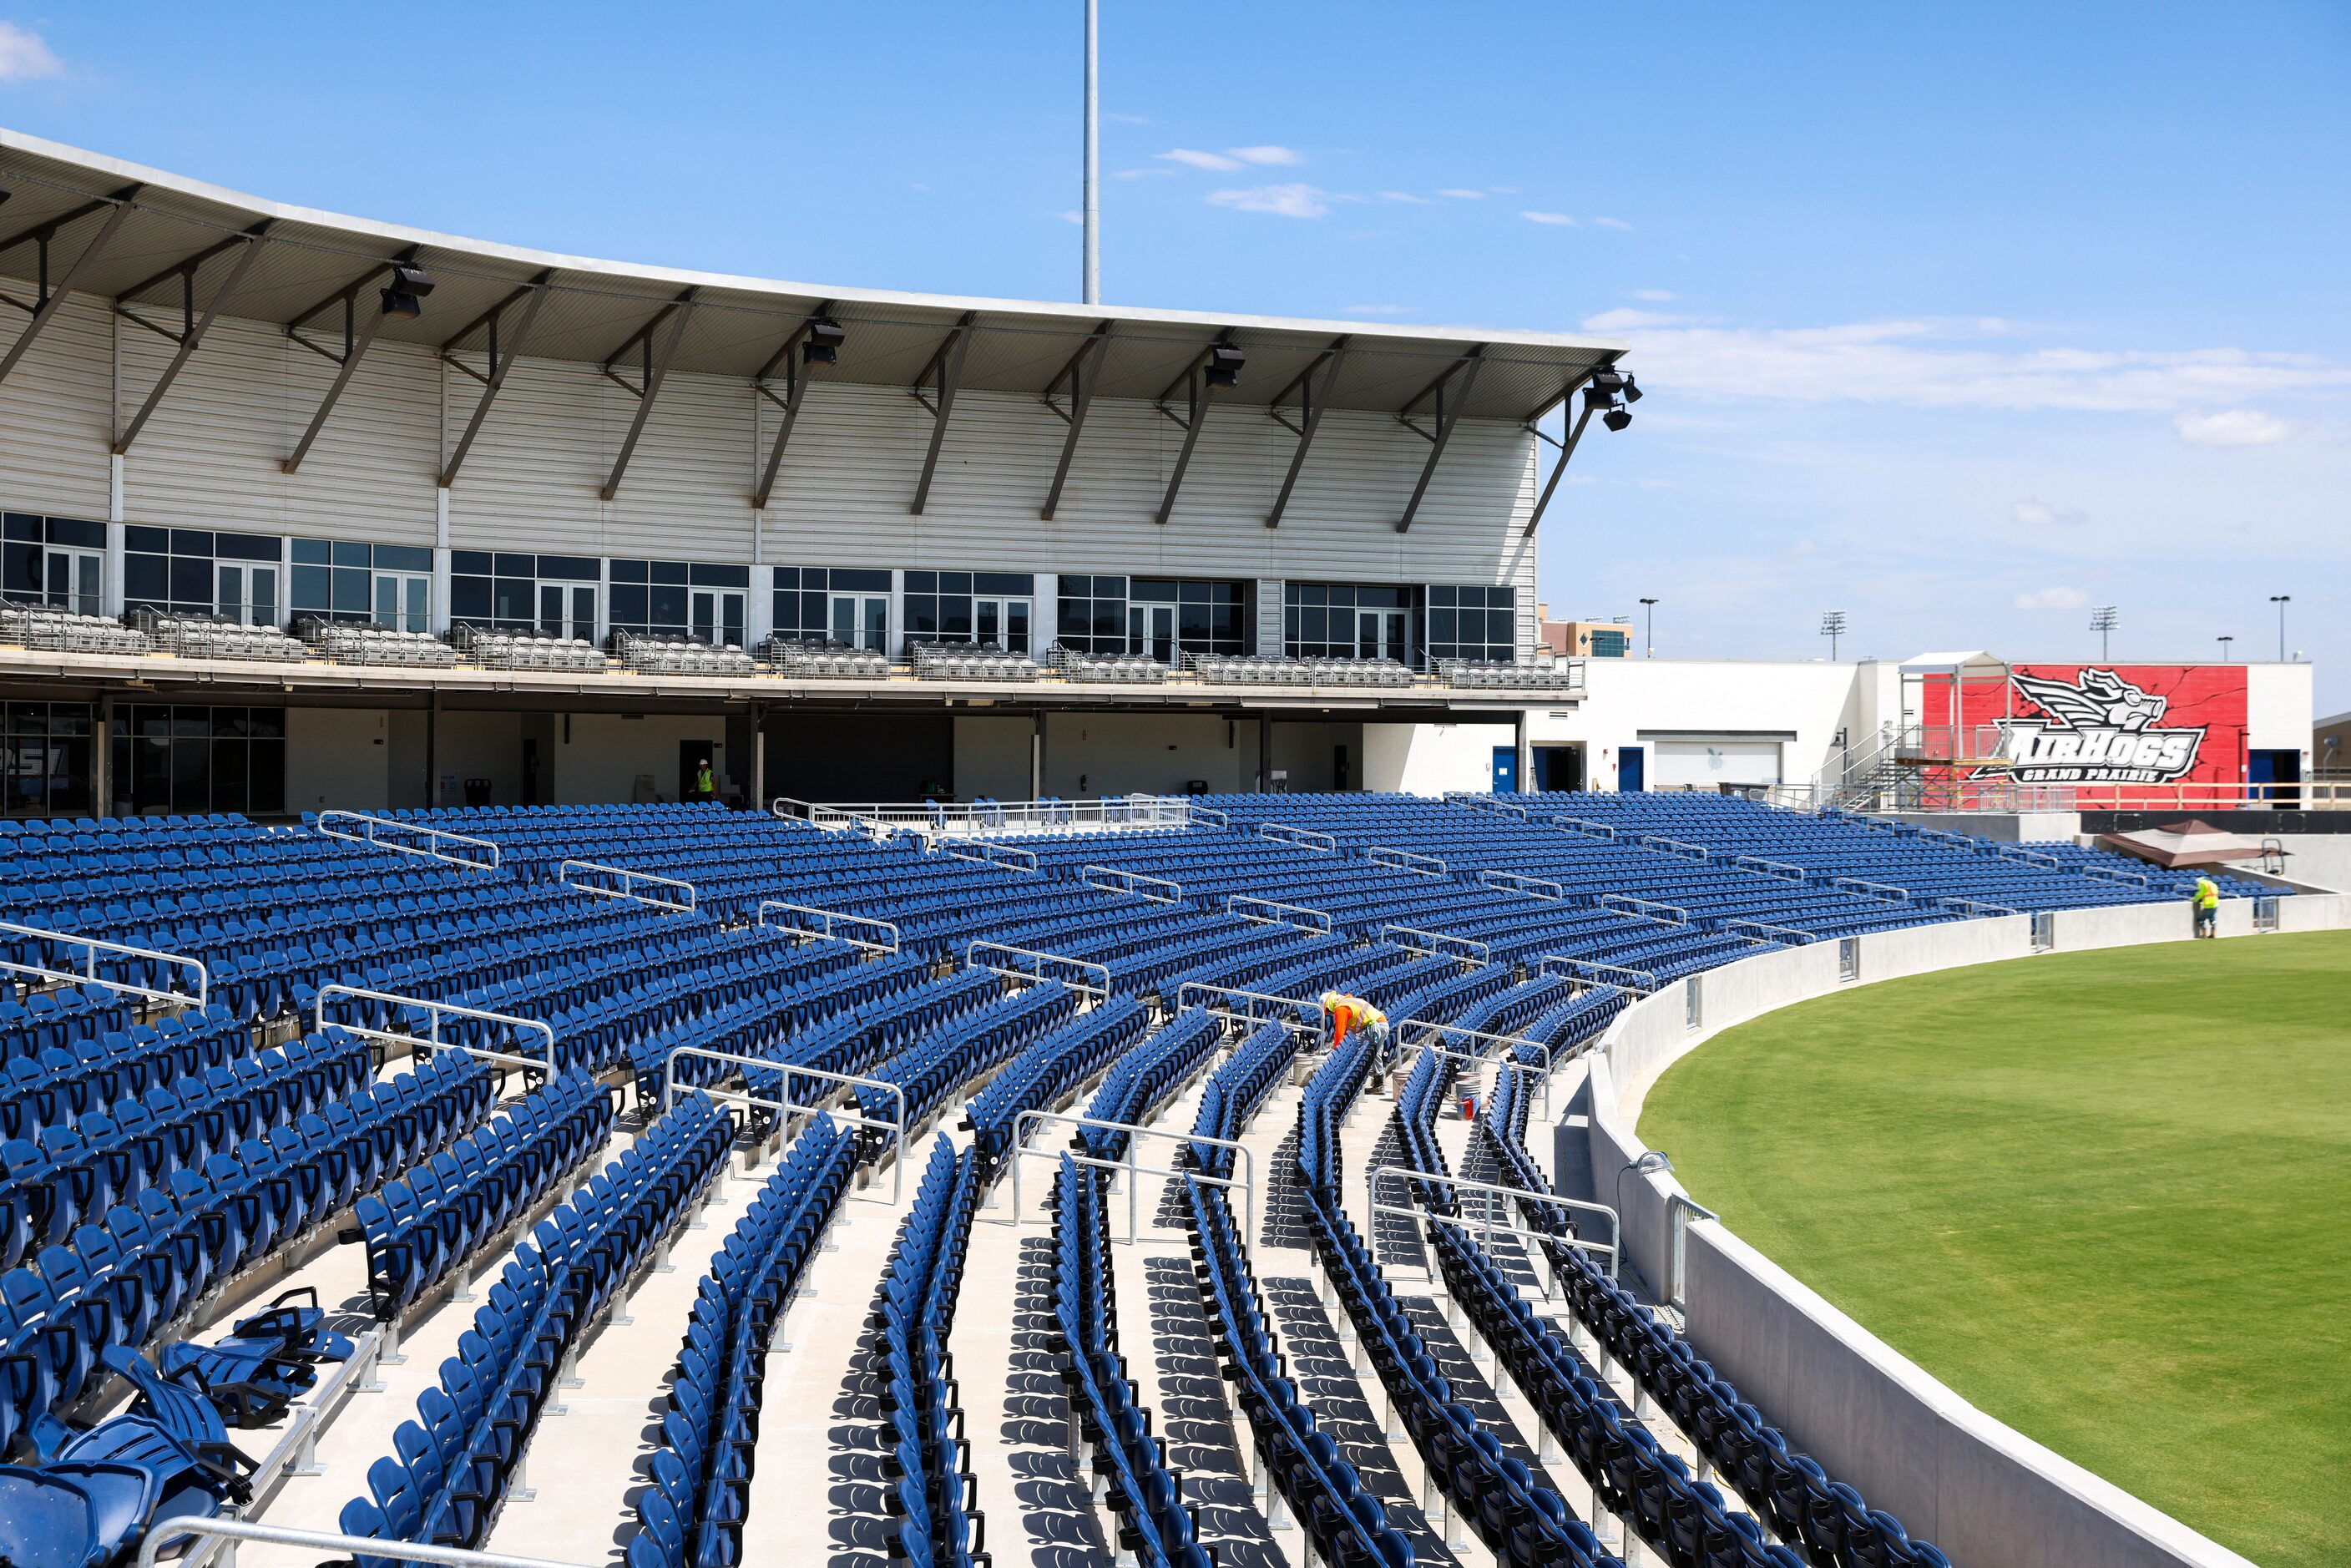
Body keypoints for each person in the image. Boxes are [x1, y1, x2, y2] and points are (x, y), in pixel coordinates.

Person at [1322, 990, 1395, 1094]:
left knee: (1353, 1047)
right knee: (1376, 1054)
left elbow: (1340, 1033)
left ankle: (1352, 1078)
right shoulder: (1348, 1001)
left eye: (1328, 1010)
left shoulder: (1341, 1008)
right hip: (1383, 1024)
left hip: (1375, 1027)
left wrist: (1336, 1053)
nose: (1330, 1013)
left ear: (1329, 1004)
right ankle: (1379, 1084)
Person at [2192, 870, 2220, 938]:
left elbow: (2200, 893)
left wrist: (2195, 899)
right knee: (2212, 919)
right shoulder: (2213, 884)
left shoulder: (2202, 884)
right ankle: (2213, 933)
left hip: (2208, 904)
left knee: (2201, 919)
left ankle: (2204, 934)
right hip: (2215, 904)